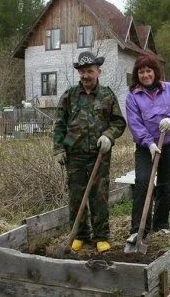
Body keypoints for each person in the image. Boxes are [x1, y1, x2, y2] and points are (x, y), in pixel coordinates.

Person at [53, 51, 126, 252]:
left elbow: (118, 122)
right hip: (74, 156)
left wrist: (109, 136)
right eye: (82, 71)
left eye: (90, 71)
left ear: (98, 72)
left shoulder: (107, 95)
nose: (85, 75)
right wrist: (58, 148)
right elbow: (59, 124)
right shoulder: (69, 96)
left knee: (99, 196)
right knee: (76, 196)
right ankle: (80, 235)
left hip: (99, 155)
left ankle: (101, 236)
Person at [125, 54, 170, 243]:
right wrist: (149, 143)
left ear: (155, 72)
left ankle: (161, 224)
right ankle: (138, 229)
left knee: (165, 184)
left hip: (169, 144)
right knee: (143, 182)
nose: (145, 75)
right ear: (137, 75)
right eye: (141, 72)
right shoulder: (133, 97)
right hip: (146, 147)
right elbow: (135, 124)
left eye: (148, 71)